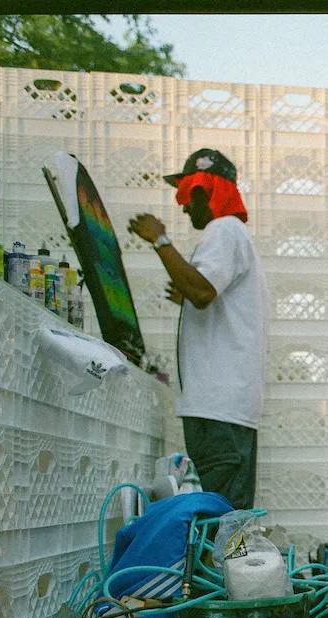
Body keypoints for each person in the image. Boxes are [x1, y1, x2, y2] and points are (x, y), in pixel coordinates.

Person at [127, 149, 269, 511]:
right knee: (228, 513)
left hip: (218, 408)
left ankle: (228, 567)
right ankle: (231, 566)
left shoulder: (223, 231)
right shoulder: (235, 236)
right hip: (226, 407)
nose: (184, 206)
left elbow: (204, 291)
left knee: (221, 514)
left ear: (207, 191)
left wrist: (159, 240)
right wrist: (188, 296)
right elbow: (210, 296)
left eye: (188, 194)